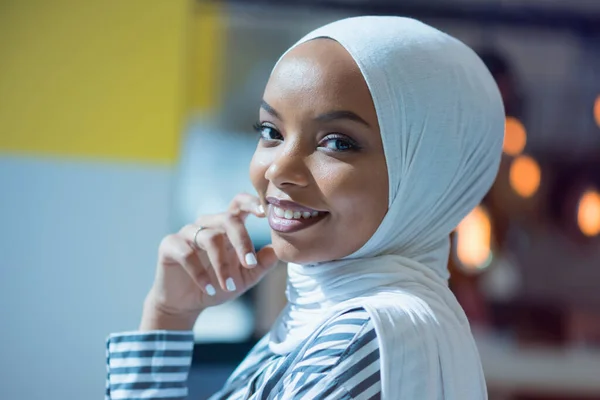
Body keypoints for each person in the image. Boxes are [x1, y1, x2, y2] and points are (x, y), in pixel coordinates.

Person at [105, 16, 504, 400]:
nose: (279, 169)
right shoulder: (322, 321)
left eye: (337, 142)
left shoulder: (356, 341)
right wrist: (168, 315)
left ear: (427, 174)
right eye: (271, 132)